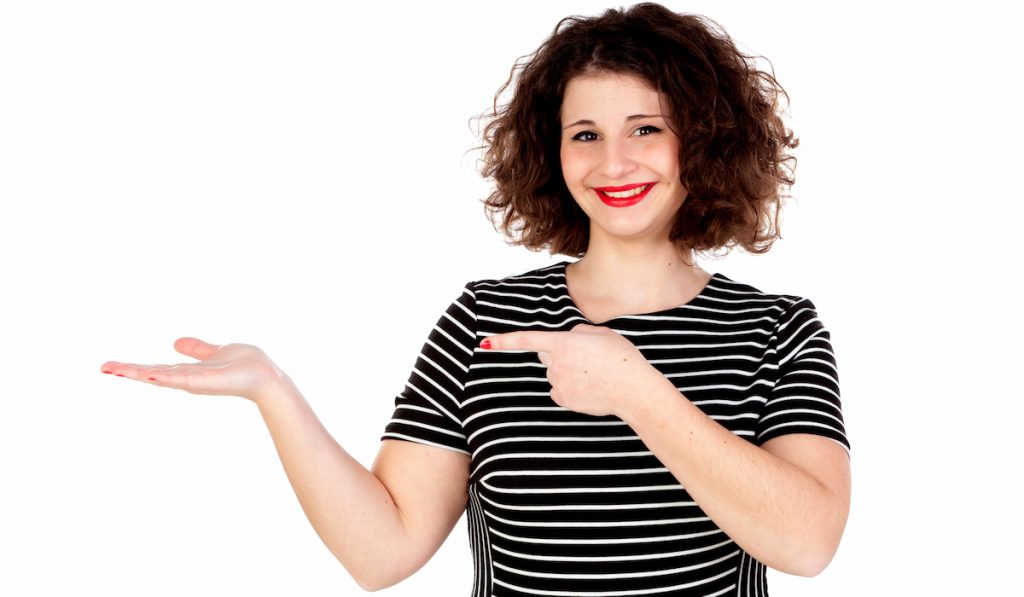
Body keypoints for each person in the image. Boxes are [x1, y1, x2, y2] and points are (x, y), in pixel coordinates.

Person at [101, 3, 850, 595]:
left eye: (646, 128)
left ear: (707, 141)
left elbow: (807, 543)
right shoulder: (484, 321)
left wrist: (637, 390)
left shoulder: (778, 328)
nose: (612, 161)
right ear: (551, 154)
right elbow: (382, 553)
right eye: (584, 134)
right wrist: (273, 391)